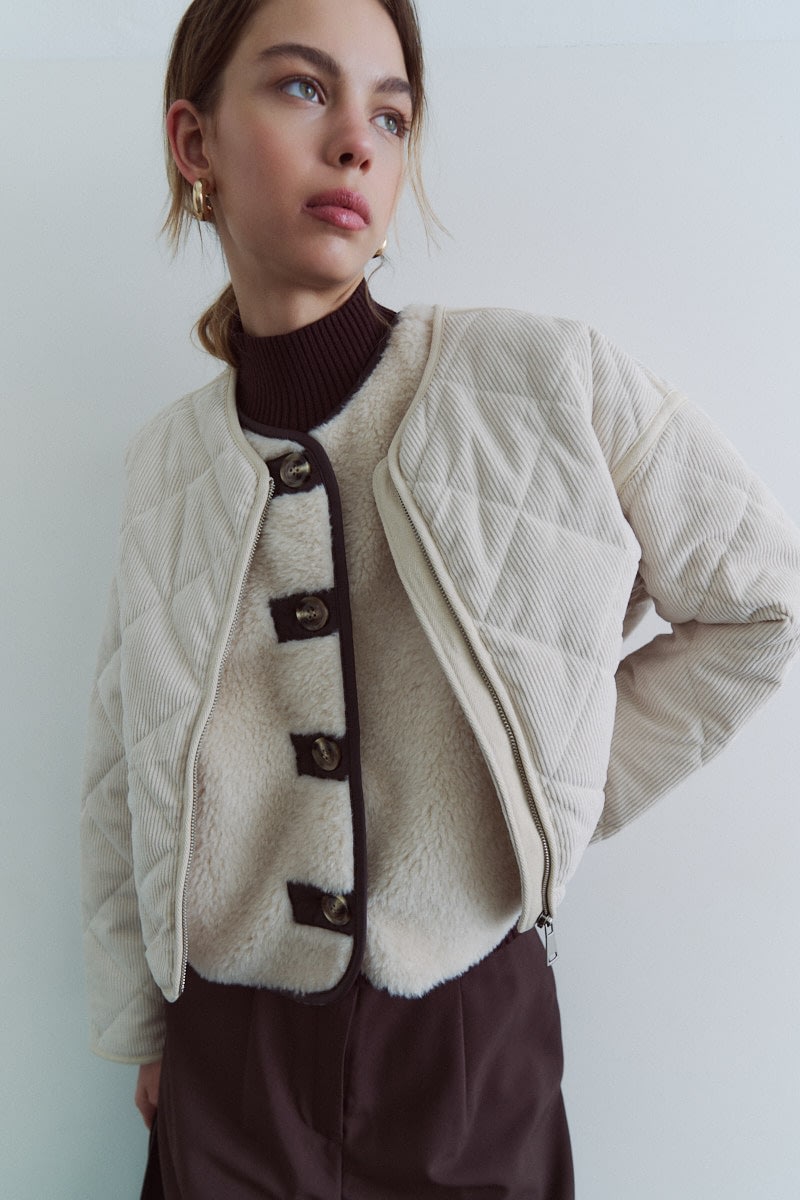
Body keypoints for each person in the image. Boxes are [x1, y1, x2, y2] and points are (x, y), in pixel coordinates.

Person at [80, 1, 800, 1196]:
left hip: (467, 1044)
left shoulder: (543, 380)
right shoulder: (165, 463)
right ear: (193, 141)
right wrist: (144, 1029)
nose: (355, 142)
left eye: (391, 114)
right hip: (230, 1060)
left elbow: (761, 603)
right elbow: (124, 761)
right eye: (304, 88)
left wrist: (543, 797)